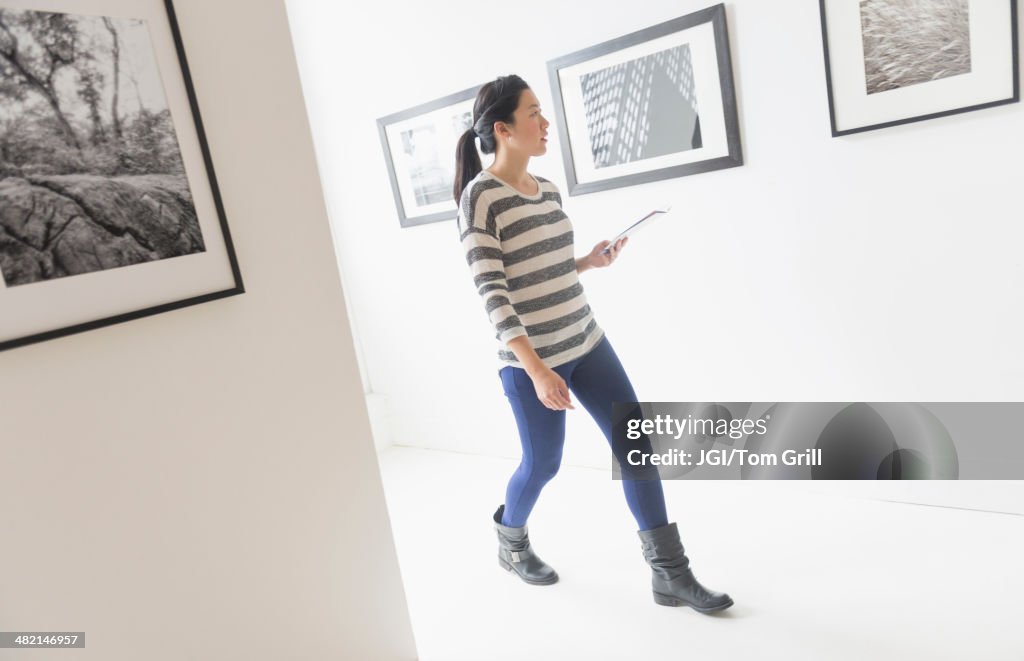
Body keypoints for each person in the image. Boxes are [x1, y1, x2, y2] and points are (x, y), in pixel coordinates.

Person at [453, 74, 733, 614]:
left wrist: (588, 261)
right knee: (543, 466)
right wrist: (536, 370)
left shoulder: (548, 189)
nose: (545, 122)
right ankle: (511, 542)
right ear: (503, 129)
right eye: (534, 113)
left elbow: (547, 266)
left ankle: (671, 575)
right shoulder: (480, 199)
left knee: (637, 446)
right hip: (532, 361)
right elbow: (494, 294)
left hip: (586, 339)